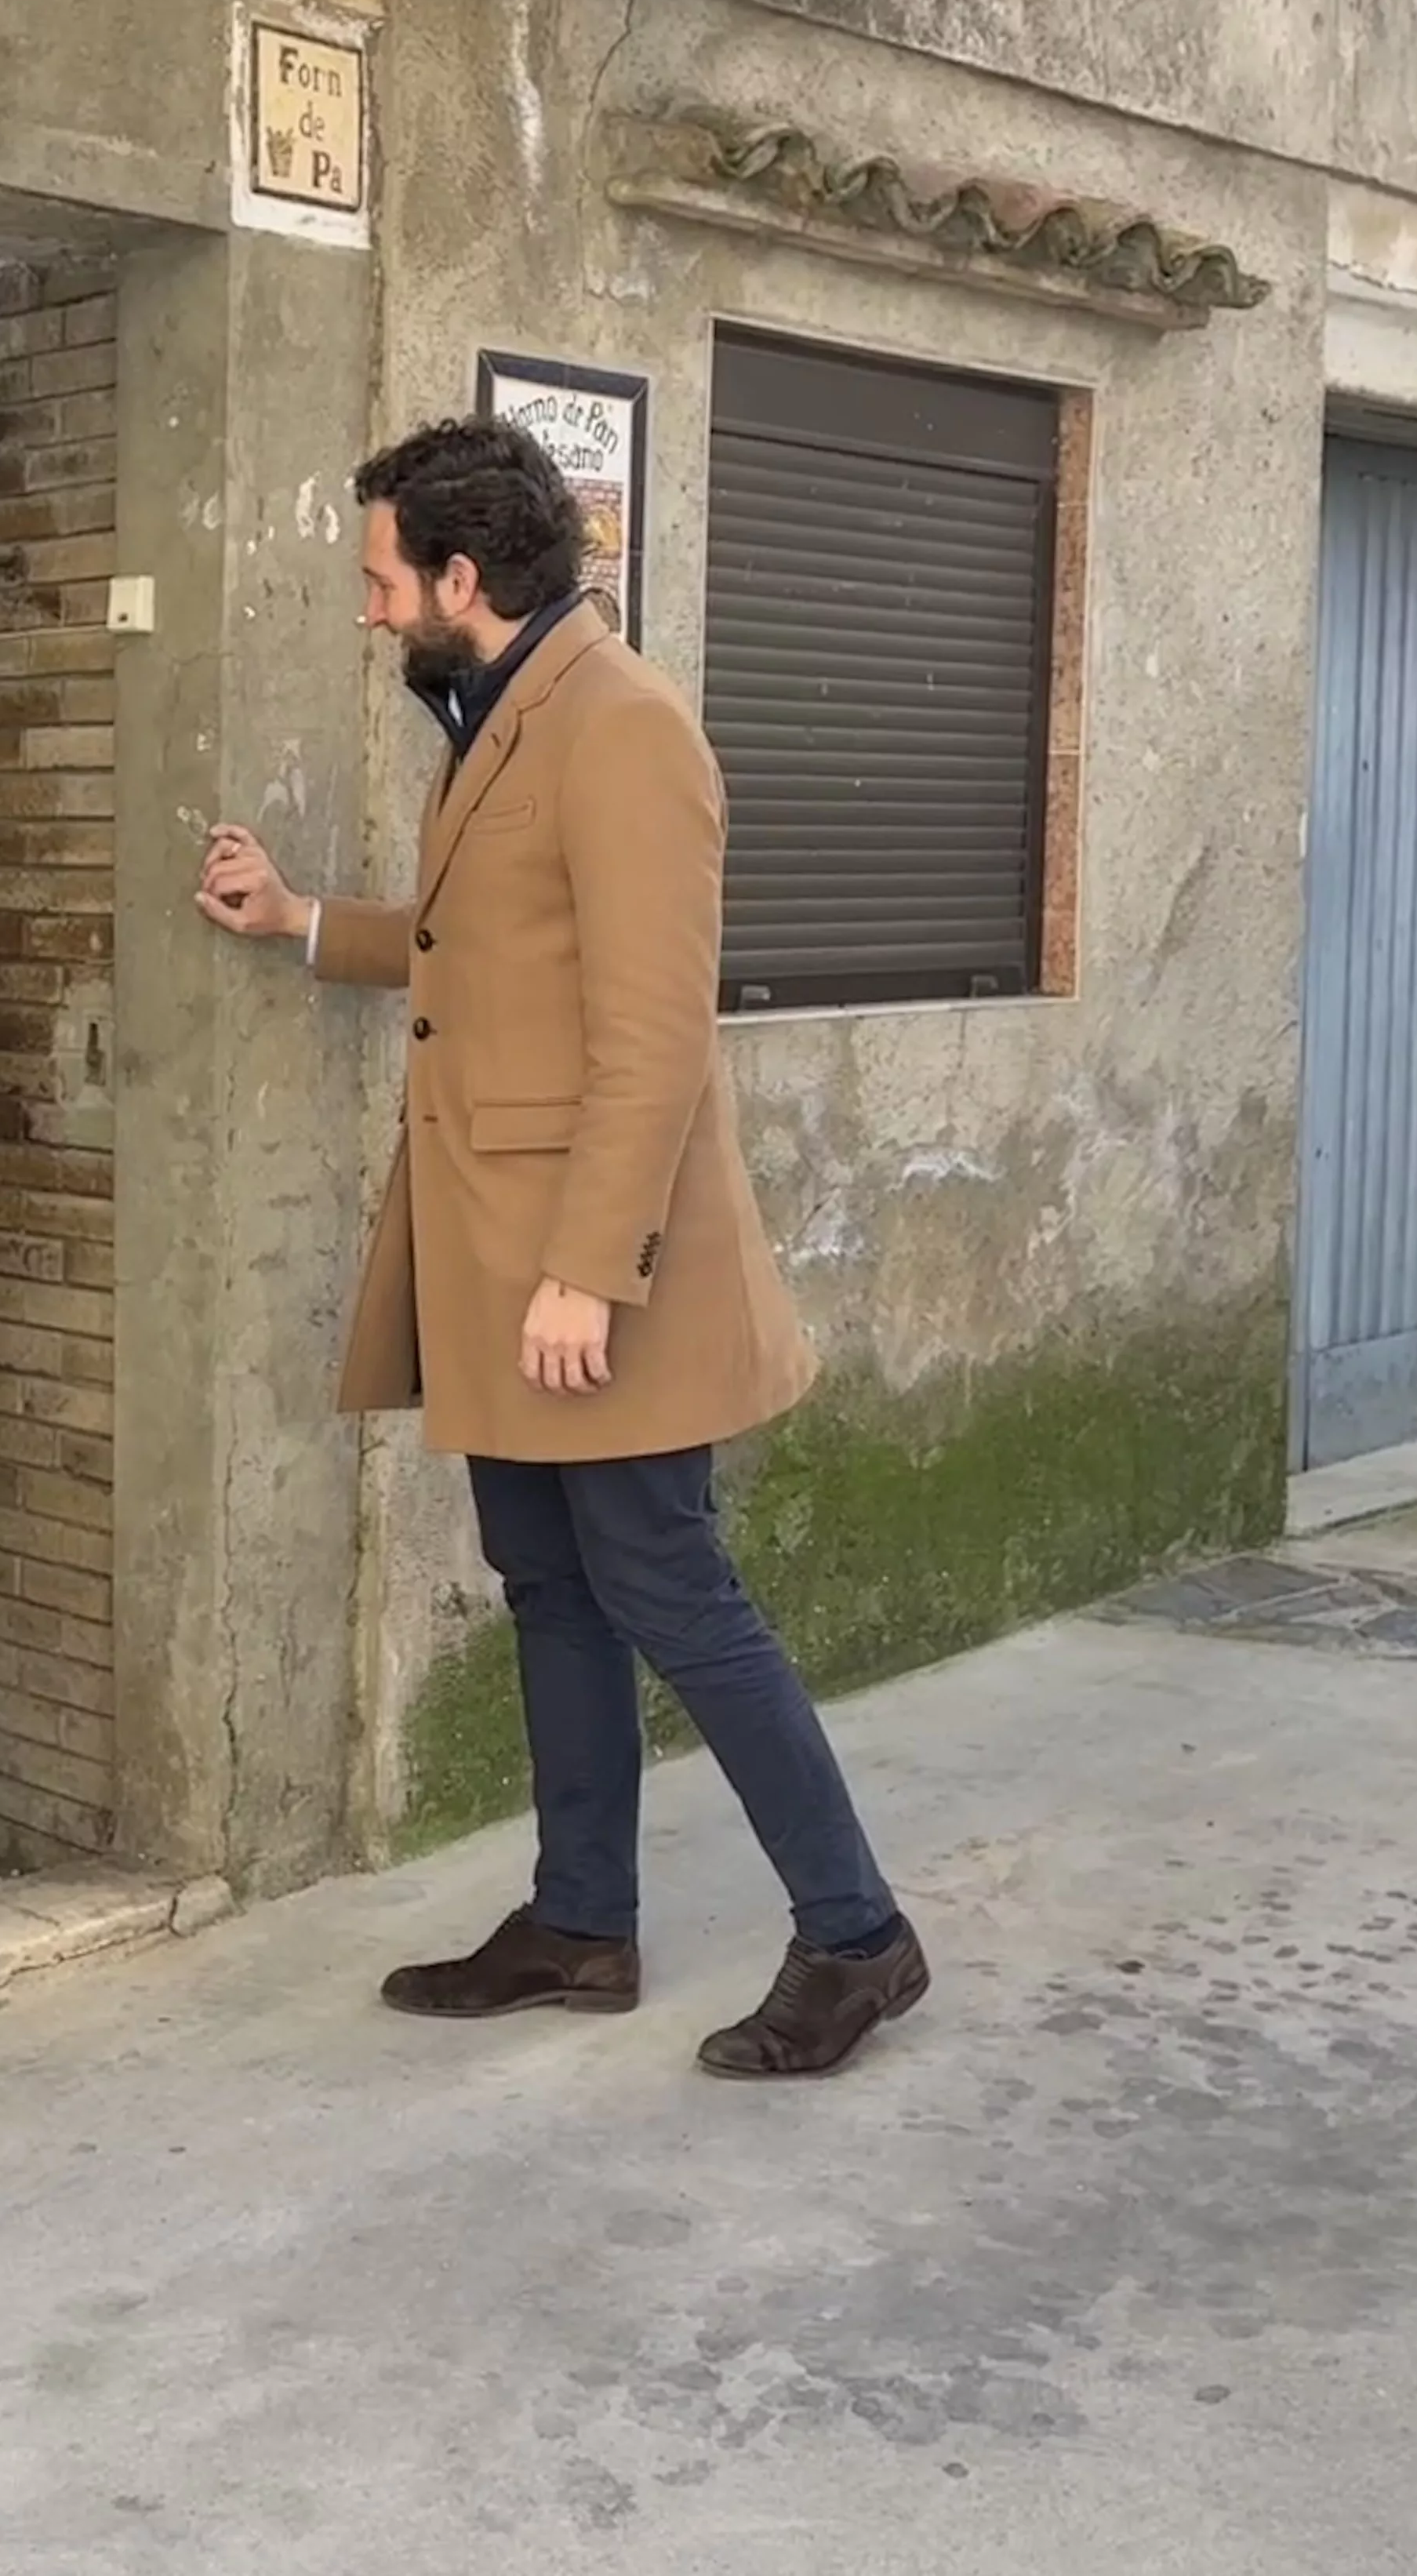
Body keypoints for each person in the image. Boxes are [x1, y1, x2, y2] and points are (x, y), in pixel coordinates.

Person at [196, 416, 927, 2079]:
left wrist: (590, 1267)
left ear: (465, 576)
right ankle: (583, 1917)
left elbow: (655, 1032)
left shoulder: (624, 726)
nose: (373, 610)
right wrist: (306, 923)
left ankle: (862, 1936)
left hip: (602, 1274)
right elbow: (484, 944)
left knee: (675, 1590)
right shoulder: (507, 713)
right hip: (504, 1263)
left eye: (385, 579)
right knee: (549, 1586)